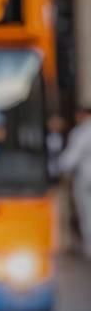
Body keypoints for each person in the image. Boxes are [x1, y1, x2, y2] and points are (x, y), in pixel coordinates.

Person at [60, 106, 91, 258]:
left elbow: (70, 159)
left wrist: (57, 170)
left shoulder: (82, 131)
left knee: (88, 213)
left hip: (87, 179)